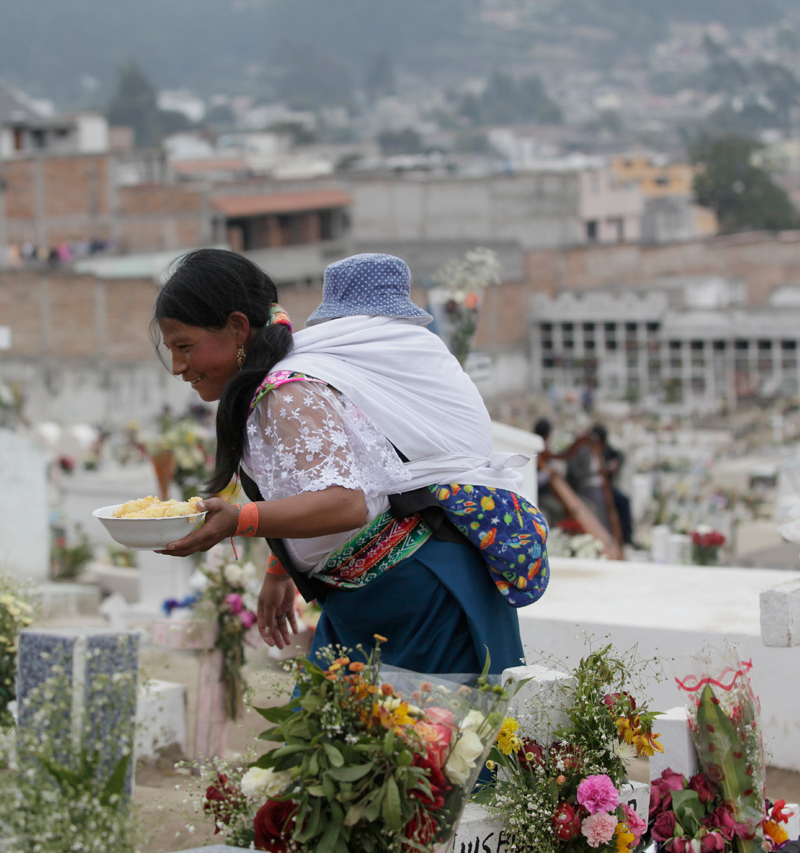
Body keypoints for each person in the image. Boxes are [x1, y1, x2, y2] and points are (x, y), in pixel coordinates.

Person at [152, 249, 529, 675]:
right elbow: (316, 482)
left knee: (422, 734)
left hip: (417, 599)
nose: (178, 366)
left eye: (185, 347)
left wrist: (239, 520)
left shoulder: (288, 391)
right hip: (371, 595)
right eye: (172, 351)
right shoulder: (289, 383)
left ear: (238, 328)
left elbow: (347, 502)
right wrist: (280, 568)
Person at [590, 423, 635, 549]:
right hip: (594, 488)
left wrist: (614, 465)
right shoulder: (588, 450)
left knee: (624, 500)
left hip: (606, 487)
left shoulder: (607, 450)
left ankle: (626, 537)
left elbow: (620, 456)